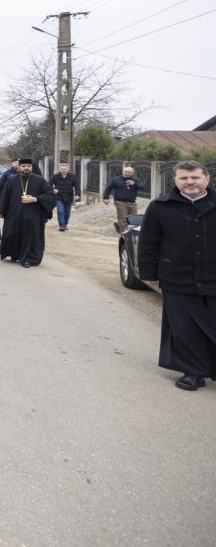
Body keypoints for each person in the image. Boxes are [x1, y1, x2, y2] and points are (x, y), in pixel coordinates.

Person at [137, 161, 216, 391]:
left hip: (213, 277)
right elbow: (148, 242)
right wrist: (148, 272)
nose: (190, 182)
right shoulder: (161, 207)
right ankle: (193, 372)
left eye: (195, 177)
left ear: (207, 179)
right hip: (177, 277)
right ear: (175, 180)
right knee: (185, 328)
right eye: (183, 178)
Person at [0, 159, 56, 268]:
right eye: (24, 166)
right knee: (12, 233)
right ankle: (14, 254)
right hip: (14, 214)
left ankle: (29, 258)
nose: (26, 168)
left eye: (28, 166)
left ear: (31, 167)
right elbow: (5, 195)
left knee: (30, 237)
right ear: (19, 167)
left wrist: (36, 199)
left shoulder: (40, 181)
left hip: (33, 216)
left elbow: (51, 196)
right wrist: (0, 210)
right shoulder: (11, 180)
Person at [104, 166, 145, 234]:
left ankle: (119, 225)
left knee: (133, 218)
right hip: (120, 201)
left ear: (132, 173)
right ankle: (125, 234)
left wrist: (134, 184)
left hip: (132, 202)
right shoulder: (116, 179)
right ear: (123, 172)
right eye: (126, 172)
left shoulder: (136, 180)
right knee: (123, 218)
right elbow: (108, 188)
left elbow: (143, 187)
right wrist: (106, 198)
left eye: (129, 172)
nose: (127, 173)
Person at [48, 162, 81, 232]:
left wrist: (77, 194)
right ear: (60, 169)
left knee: (67, 212)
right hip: (59, 197)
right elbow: (48, 185)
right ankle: (62, 225)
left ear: (68, 169)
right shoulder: (55, 176)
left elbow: (77, 186)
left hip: (69, 197)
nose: (63, 170)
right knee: (60, 211)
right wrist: (53, 189)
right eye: (62, 169)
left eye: (65, 169)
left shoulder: (73, 176)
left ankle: (65, 224)